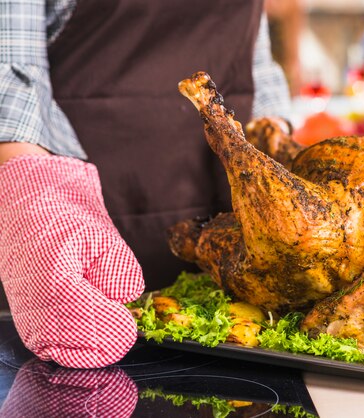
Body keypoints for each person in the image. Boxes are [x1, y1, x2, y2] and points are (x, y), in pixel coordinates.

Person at [0, 0, 290, 368]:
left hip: (230, 245)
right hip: (71, 219)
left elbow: (256, 63)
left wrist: (275, 148)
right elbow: (10, 65)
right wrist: (32, 197)